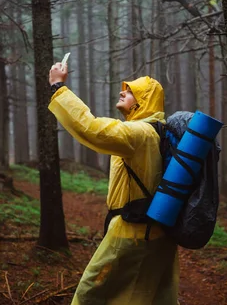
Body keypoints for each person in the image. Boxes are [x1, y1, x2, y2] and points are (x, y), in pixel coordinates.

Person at [48, 62, 179, 304]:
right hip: (158, 232)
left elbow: (92, 128)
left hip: (133, 234)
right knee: (153, 296)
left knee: (91, 294)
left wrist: (58, 87)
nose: (122, 92)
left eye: (130, 92)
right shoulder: (156, 132)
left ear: (143, 101)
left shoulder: (139, 133)